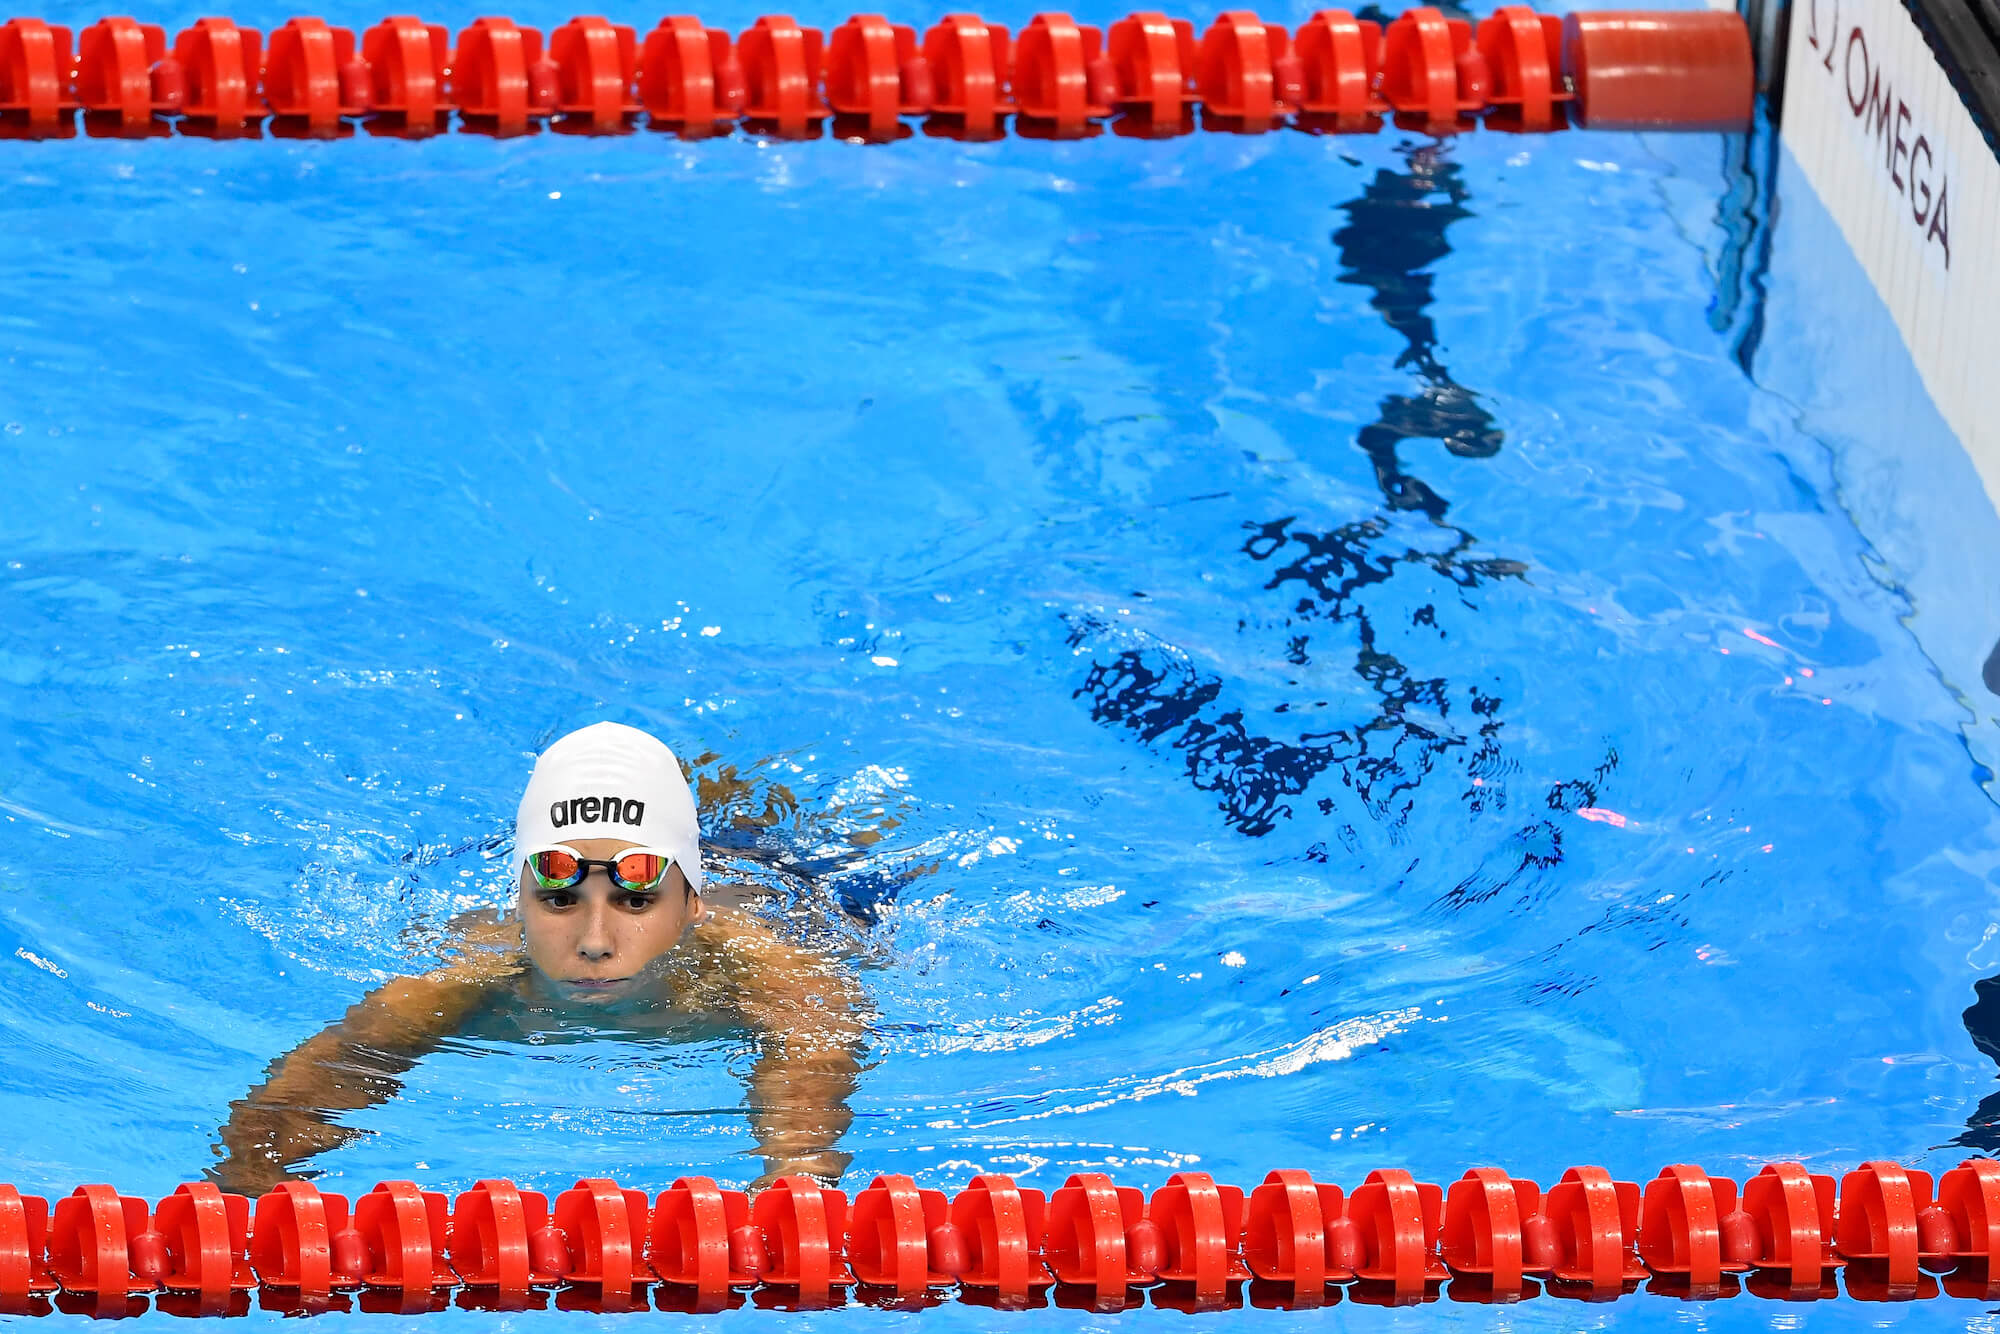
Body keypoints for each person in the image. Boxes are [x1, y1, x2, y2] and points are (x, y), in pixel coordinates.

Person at [208, 722, 868, 1196]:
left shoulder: (766, 968)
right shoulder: (460, 978)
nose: (595, 940)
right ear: (517, 900)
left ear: (692, 906)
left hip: (799, 878)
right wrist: (257, 1189)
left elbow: (807, 1107)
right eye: (559, 900)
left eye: (636, 903)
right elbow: (278, 1120)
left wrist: (792, 1184)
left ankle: (729, 799)